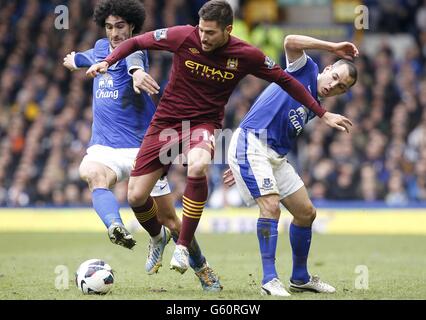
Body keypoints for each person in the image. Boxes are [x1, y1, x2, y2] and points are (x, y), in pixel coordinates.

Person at [86, 0, 351, 276]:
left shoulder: (245, 54)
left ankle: (183, 246)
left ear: (228, 29)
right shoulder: (183, 35)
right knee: (137, 196)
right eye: (201, 30)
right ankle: (158, 238)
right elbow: (137, 42)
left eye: (210, 32)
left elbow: (287, 81)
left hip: (203, 124)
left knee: (198, 164)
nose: (203, 37)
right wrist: (106, 61)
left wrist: (321, 113)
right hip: (166, 123)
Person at [63, 0, 222, 292]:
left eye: (120, 26)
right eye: (109, 27)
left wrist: (137, 75)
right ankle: (114, 225)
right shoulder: (100, 48)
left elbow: (136, 63)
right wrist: (74, 60)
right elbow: (86, 58)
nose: (114, 33)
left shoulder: (137, 50)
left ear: (132, 26)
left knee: (171, 221)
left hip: (143, 147)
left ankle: (202, 268)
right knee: (91, 172)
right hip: (105, 147)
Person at [224, 34, 358, 296]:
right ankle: (269, 279)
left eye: (341, 87)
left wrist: (241, 167)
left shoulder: (315, 105)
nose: (334, 86)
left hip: (273, 156)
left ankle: (300, 277)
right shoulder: (304, 68)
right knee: (271, 207)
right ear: (328, 68)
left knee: (306, 213)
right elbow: (289, 40)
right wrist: (332, 45)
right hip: (252, 142)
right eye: (334, 77)